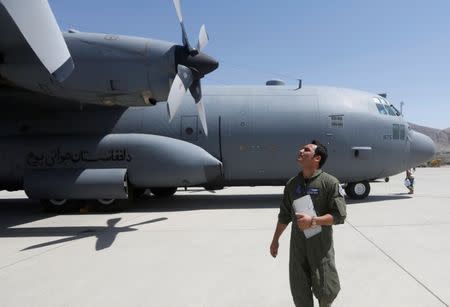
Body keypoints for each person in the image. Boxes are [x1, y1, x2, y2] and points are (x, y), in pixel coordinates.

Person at [270, 140, 347, 307]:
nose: (300, 151)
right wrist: (275, 240)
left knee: (326, 292)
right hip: (298, 250)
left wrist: (313, 220)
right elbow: (284, 215)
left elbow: (339, 216)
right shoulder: (292, 184)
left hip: (320, 249)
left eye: (306, 149)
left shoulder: (330, 183)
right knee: (300, 294)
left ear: (317, 158)